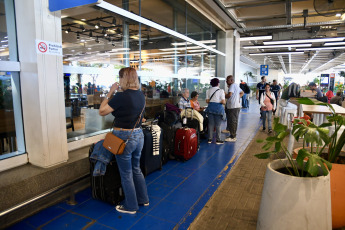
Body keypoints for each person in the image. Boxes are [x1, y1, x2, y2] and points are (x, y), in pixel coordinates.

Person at [99, 67, 149, 214]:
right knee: (136, 169)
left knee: (126, 173)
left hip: (124, 137)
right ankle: (143, 199)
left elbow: (102, 111)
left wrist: (110, 91)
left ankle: (131, 206)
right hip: (138, 135)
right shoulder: (141, 95)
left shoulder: (121, 96)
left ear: (123, 79)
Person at [205, 78, 226, 145]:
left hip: (210, 108)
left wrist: (213, 101)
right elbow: (223, 101)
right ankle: (218, 139)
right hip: (218, 109)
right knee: (218, 125)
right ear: (218, 83)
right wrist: (217, 101)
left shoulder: (208, 91)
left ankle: (210, 139)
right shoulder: (221, 91)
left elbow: (207, 101)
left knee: (211, 124)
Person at [225, 75, 244, 142]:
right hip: (234, 106)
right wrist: (237, 98)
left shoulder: (232, 85)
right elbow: (242, 92)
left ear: (232, 80)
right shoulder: (236, 85)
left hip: (233, 106)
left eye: (227, 80)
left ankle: (233, 137)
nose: (226, 81)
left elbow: (229, 95)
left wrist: (224, 94)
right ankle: (232, 135)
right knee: (232, 121)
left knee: (233, 121)